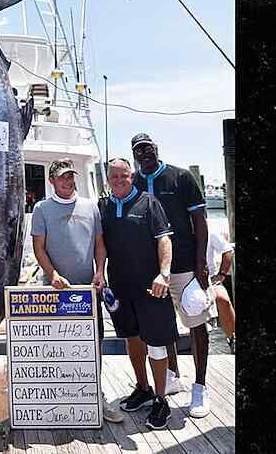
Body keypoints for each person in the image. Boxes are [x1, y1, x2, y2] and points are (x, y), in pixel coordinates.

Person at [31, 158, 124, 424]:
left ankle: (96, 395)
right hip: (55, 293)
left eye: (71, 176)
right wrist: (53, 275)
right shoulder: (41, 209)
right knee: (57, 348)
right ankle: (61, 399)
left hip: (87, 292)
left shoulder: (90, 206)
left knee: (93, 345)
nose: (69, 181)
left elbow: (99, 245)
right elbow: (39, 249)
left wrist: (99, 271)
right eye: (62, 178)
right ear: (52, 181)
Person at [130, 133, 216, 418]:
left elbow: (200, 223)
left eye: (147, 148)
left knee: (196, 322)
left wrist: (201, 263)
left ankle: (200, 386)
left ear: (156, 148)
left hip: (184, 266)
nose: (144, 154)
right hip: (151, 271)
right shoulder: (135, 182)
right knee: (162, 325)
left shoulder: (181, 178)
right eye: (138, 151)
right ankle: (172, 376)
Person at [99, 158, 178, 430]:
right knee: (131, 340)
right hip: (120, 286)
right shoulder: (104, 206)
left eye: (124, 176)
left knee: (155, 343)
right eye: (114, 177)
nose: (119, 180)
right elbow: (100, 245)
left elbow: (165, 239)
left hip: (151, 287)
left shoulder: (149, 202)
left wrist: (164, 274)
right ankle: (143, 388)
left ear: (132, 176)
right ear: (107, 179)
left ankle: (161, 399)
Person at [207, 227, 235, 353]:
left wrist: (222, 274)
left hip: (209, 279)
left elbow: (227, 249)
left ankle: (233, 338)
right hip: (183, 278)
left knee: (222, 299)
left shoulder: (210, 231)